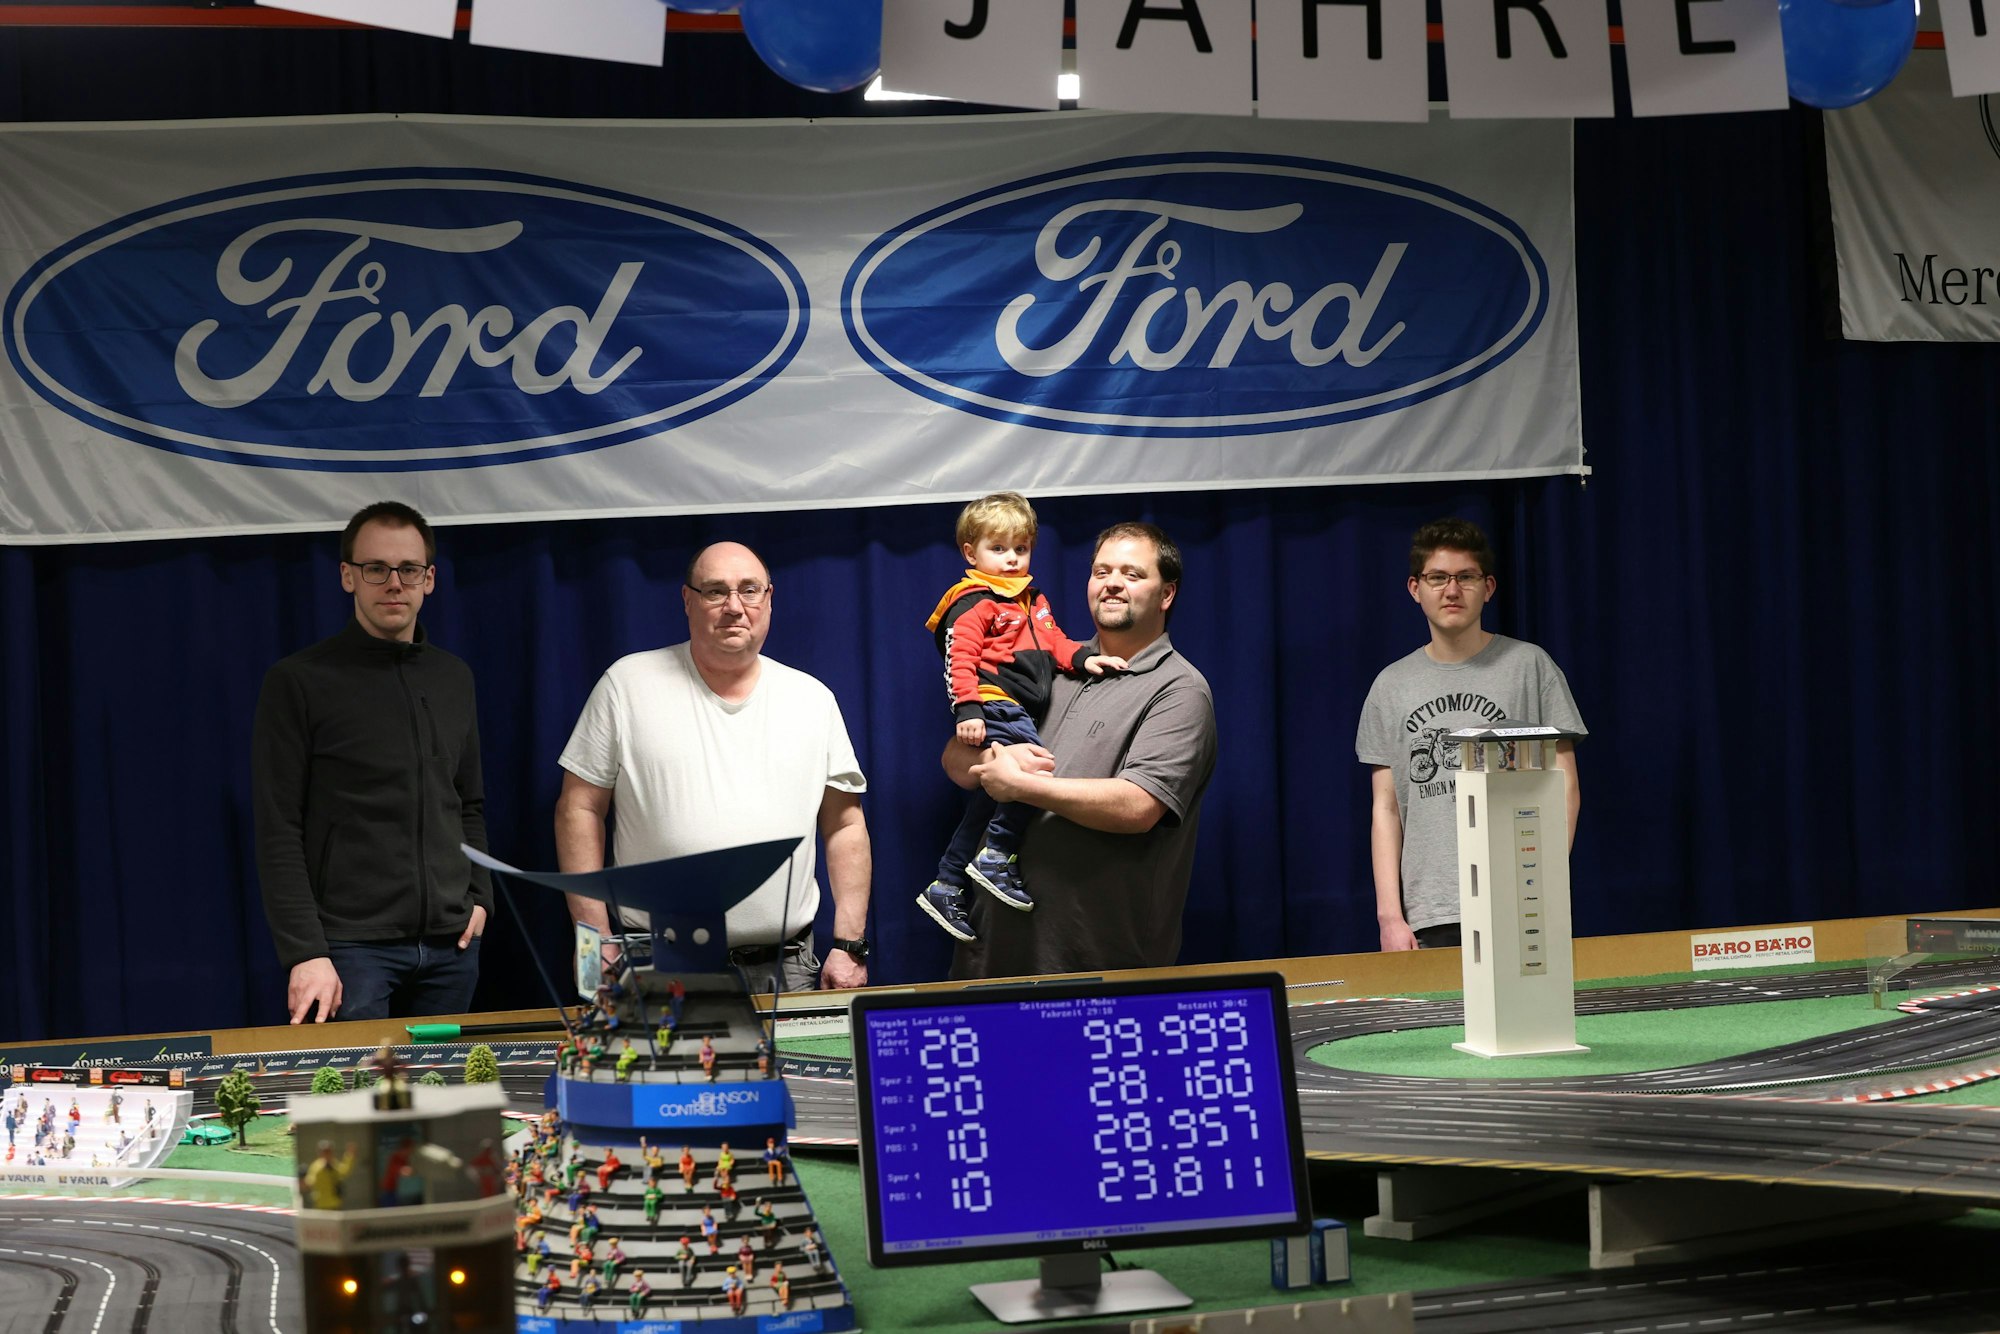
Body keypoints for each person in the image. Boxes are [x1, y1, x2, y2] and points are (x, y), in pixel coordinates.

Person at [555, 542, 872, 993]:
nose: (735, 607)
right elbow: (579, 809)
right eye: (716, 591)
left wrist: (850, 945)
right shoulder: (626, 686)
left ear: (769, 599)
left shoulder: (812, 700)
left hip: (785, 972)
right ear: (688, 600)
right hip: (656, 968)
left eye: (749, 590)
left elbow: (845, 824)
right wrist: (592, 940)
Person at [944, 523, 1217, 979]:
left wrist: (1022, 786)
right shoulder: (1048, 665)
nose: (1112, 583)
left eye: (1132, 574)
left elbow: (1139, 806)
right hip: (987, 955)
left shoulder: (1179, 690)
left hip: (1097, 963)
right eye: (1102, 572)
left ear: (1166, 594)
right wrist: (993, 761)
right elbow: (954, 758)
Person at [253, 501, 491, 1022]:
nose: (394, 583)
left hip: (453, 948)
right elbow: (278, 828)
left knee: (445, 1079)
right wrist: (305, 951)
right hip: (350, 951)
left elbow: (467, 803)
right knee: (357, 1080)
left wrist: (479, 898)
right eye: (376, 568)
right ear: (348, 576)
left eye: (409, 569)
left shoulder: (454, 678)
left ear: (429, 579)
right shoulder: (299, 681)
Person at [1356, 518, 1587, 951]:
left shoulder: (1530, 666)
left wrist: (1544, 878)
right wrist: (1390, 917)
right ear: (1415, 588)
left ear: (1488, 587)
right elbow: (1385, 809)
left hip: (1520, 903)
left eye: (1466, 577)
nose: (1452, 590)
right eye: (1438, 577)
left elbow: (1565, 784)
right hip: (1431, 910)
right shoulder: (1390, 686)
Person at [918, 492, 1124, 941]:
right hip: (995, 702)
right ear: (971, 553)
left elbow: (1055, 642)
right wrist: (968, 709)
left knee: (994, 796)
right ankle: (997, 853)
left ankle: (947, 881)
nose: (1012, 558)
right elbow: (959, 658)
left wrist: (1083, 658)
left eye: (1021, 548)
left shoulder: (1032, 599)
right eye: (998, 548)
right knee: (1034, 771)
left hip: (1017, 705)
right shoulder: (974, 600)